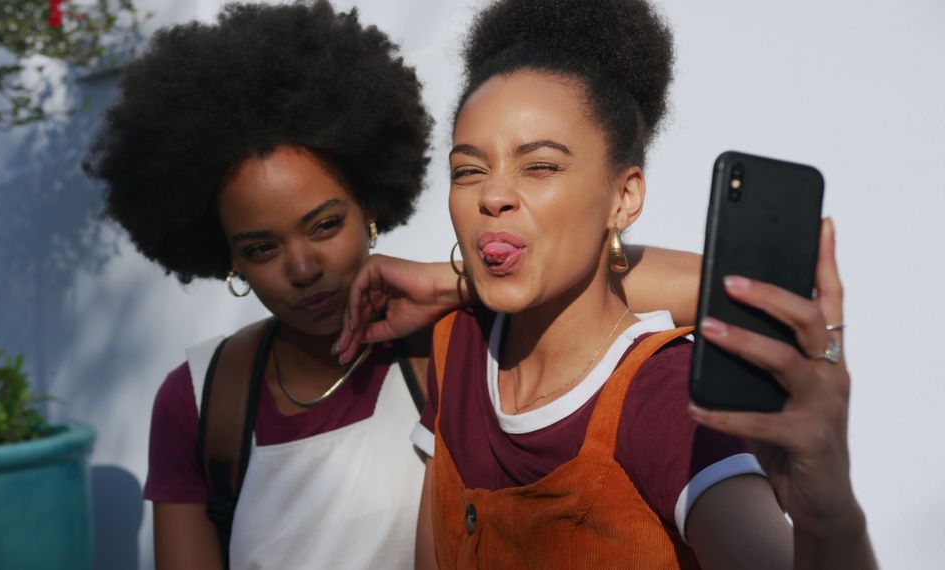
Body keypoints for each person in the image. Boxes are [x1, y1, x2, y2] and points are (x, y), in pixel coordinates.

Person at [85, 1, 701, 568]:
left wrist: (456, 283)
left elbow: (698, 292)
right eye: (261, 248)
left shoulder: (454, 345)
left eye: (325, 225)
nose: (303, 268)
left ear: (370, 208)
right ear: (228, 260)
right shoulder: (201, 400)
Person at [334, 0, 876, 568]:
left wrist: (830, 516)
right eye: (468, 170)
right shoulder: (457, 344)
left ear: (625, 198)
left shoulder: (667, 398)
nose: (492, 195)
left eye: (540, 165)